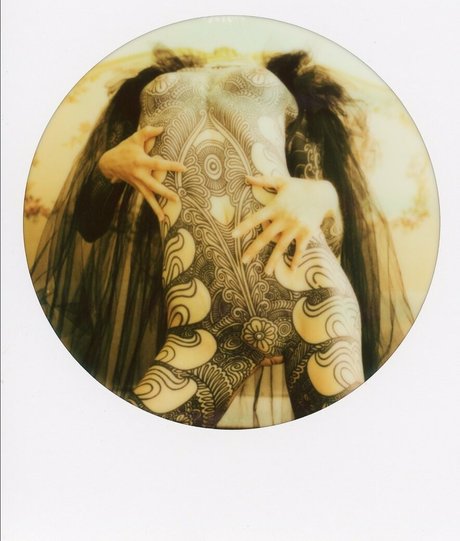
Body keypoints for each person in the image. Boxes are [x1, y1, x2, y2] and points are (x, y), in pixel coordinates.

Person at [31, 49, 413, 428]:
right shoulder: (139, 105)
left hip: (313, 303)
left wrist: (322, 194)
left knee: (341, 448)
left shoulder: (293, 96)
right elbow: (88, 224)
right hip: (204, 326)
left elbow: (329, 227)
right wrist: (107, 167)